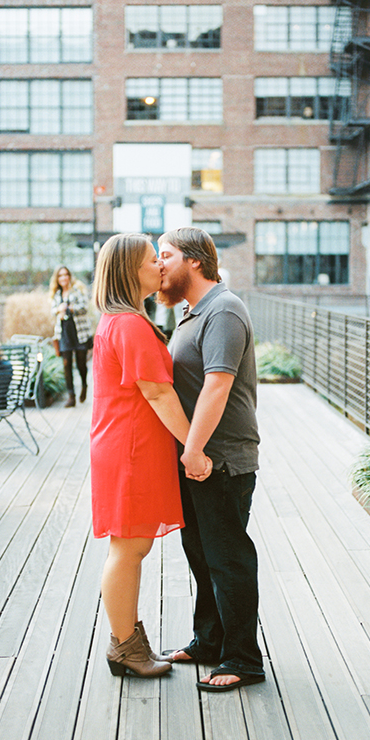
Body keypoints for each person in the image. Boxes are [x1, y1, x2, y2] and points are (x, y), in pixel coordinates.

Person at [90, 233, 212, 679]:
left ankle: (128, 641)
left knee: (129, 548)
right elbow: (159, 394)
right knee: (128, 549)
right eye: (150, 261)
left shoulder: (119, 321)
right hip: (130, 450)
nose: (160, 267)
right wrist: (193, 450)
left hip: (126, 446)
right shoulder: (129, 325)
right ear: (128, 271)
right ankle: (124, 645)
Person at [157, 227, 264, 693]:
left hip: (220, 460)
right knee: (201, 556)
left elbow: (218, 385)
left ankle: (243, 658)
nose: (158, 265)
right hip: (197, 460)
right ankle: (209, 640)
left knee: (228, 559)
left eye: (166, 255)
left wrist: (195, 449)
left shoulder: (223, 310)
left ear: (195, 261)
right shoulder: (192, 313)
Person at [49, 265, 93, 408]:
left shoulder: (77, 290)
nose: (63, 278)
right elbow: (52, 310)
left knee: (81, 363)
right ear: (57, 278)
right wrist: (58, 310)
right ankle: (71, 396)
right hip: (64, 332)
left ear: (69, 276)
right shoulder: (57, 294)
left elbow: (84, 307)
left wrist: (69, 308)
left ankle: (84, 385)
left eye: (65, 275)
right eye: (60, 275)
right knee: (66, 364)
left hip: (78, 331)